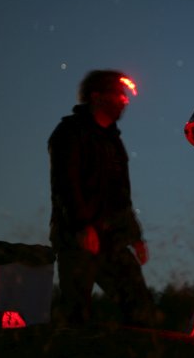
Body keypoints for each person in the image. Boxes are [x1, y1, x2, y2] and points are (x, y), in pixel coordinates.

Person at [48, 69, 155, 327]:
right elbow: (65, 184)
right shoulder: (69, 133)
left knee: (139, 307)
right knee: (77, 314)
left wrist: (136, 237)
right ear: (97, 96)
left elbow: (121, 196)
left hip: (113, 240)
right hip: (77, 239)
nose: (124, 101)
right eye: (118, 95)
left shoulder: (114, 142)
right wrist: (82, 226)